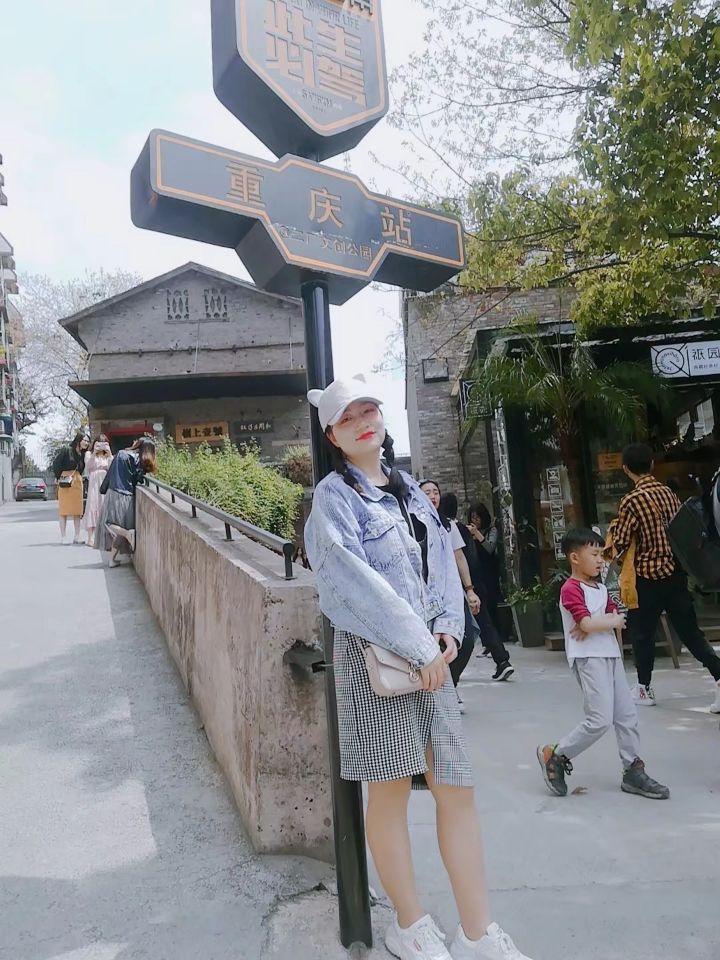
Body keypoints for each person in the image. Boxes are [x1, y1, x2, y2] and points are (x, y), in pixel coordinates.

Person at [304, 376, 533, 960]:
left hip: (432, 664)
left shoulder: (411, 492)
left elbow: (442, 569)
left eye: (369, 410)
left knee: (456, 790)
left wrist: (450, 629)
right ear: (332, 435)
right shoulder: (333, 499)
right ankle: (409, 923)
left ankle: (478, 932)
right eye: (348, 417)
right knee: (389, 795)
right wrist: (419, 646)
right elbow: (349, 584)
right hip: (377, 667)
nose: (363, 422)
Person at [537, 528, 670, 800]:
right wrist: (598, 623)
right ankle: (556, 753)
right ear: (575, 557)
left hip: (610, 655)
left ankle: (632, 769)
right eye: (594, 554)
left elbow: (616, 619)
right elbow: (590, 623)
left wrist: (598, 623)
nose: (600, 560)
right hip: (588, 658)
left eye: (601, 554)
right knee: (599, 719)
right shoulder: (570, 589)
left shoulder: (599, 589)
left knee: (627, 716)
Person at [613, 443, 720, 712]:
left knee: (642, 634)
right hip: (675, 574)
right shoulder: (669, 494)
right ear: (651, 464)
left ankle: (644, 688)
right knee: (690, 632)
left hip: (646, 578)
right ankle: (719, 675)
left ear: (626, 469)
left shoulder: (631, 501)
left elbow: (621, 542)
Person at [431, 486, 514, 683]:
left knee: (462, 629)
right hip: (475, 583)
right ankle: (502, 661)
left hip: (462, 587)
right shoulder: (461, 528)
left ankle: (451, 675)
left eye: (435, 493)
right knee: (483, 623)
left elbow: (461, 558)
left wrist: (468, 588)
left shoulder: (446, 528)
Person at [97, 436, 157, 567]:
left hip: (114, 492)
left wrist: (103, 488)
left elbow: (110, 473)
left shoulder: (121, 454)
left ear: (138, 444)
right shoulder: (141, 460)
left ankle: (127, 534)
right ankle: (112, 559)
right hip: (129, 496)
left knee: (108, 523)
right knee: (121, 525)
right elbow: (139, 479)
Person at [467, 504, 504, 632]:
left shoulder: (491, 531)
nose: (475, 521)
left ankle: (497, 630)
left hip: (490, 571)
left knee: (491, 600)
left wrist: (477, 534)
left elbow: (490, 548)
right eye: (473, 518)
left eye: (478, 518)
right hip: (476, 572)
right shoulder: (469, 533)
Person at [52, 432, 89, 544]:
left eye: (88, 441)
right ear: (78, 440)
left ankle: (77, 536)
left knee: (77, 510)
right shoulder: (67, 450)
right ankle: (63, 536)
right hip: (65, 480)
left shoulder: (83, 454)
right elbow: (56, 464)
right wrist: (58, 477)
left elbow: (82, 469)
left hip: (77, 481)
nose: (86, 443)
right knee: (64, 510)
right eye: (85, 440)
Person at [81, 435, 113, 548]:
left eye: (104, 443)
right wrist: (94, 452)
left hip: (104, 481)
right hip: (94, 481)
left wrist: (109, 453)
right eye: (99, 443)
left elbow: (111, 467)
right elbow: (88, 466)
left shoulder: (107, 455)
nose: (101, 446)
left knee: (103, 505)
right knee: (92, 505)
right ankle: (90, 537)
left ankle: (103, 537)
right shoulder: (89, 454)